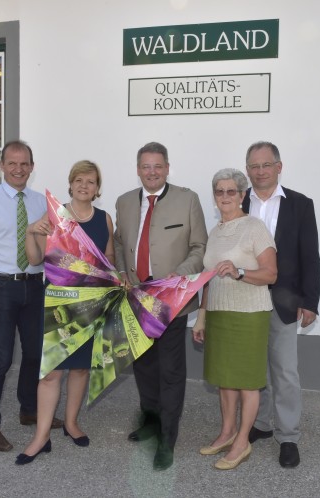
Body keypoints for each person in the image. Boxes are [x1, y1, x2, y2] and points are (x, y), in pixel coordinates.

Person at [114, 142, 207, 471]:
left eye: (157, 166)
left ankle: (168, 437)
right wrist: (122, 274)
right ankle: (151, 422)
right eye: (145, 166)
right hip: (136, 300)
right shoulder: (124, 202)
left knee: (170, 372)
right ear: (138, 169)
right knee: (143, 368)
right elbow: (120, 244)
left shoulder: (187, 199)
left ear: (167, 168)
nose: (151, 172)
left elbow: (199, 247)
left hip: (172, 301)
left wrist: (176, 277)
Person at [16, 160, 115, 465]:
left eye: (91, 182)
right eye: (79, 180)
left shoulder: (105, 219)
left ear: (97, 189)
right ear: (70, 184)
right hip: (58, 304)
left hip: (91, 303)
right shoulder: (54, 217)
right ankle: (40, 437)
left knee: (82, 369)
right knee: (50, 374)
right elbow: (34, 259)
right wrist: (32, 231)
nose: (84, 186)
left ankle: (71, 423)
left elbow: (108, 261)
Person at [0, 140, 62, 452]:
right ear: (2, 166)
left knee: (36, 354)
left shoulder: (40, 202)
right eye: (12, 163)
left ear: (32, 167)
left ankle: (29, 409)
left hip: (35, 286)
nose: (18, 169)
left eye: (24, 164)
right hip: (1, 287)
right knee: (1, 357)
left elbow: (53, 246)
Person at [242, 141, 320, 468]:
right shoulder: (237, 200)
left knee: (285, 371)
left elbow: (310, 257)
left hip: (284, 301)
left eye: (265, 165)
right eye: (254, 166)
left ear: (278, 166)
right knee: (251, 368)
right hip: (244, 299)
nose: (259, 171)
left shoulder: (300, 204)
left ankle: (288, 436)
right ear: (248, 169)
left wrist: (310, 302)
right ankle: (260, 424)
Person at [193, 168, 277, 470]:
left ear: (242, 195)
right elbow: (208, 278)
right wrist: (201, 317)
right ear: (214, 196)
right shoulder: (215, 232)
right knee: (224, 380)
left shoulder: (254, 227)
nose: (225, 196)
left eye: (232, 191)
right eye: (220, 191)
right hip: (218, 312)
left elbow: (271, 273)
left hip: (249, 315)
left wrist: (241, 272)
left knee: (247, 382)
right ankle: (227, 433)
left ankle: (242, 442)